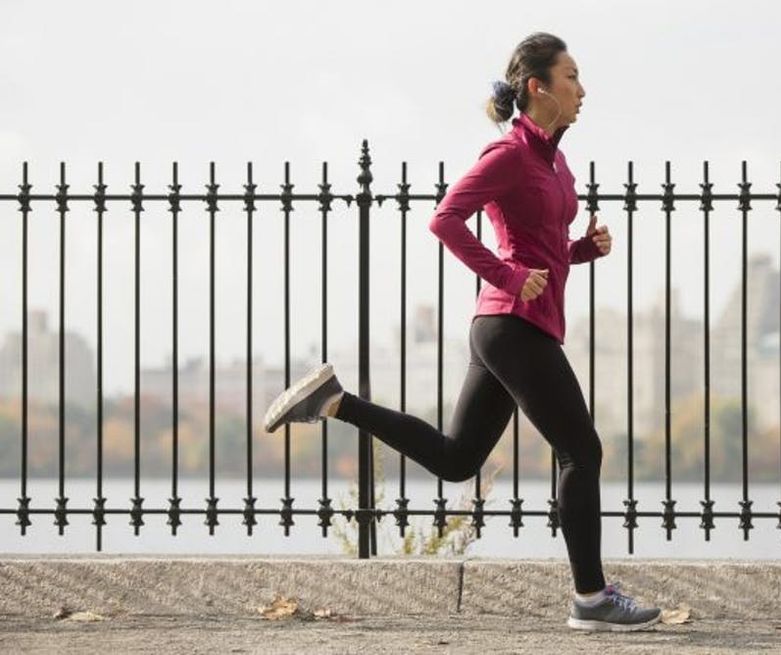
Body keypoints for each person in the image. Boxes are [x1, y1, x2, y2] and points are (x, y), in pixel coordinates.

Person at [263, 32, 662, 632]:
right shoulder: (506, 155)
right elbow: (444, 219)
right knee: (581, 450)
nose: (583, 90)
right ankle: (591, 598)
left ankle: (334, 401)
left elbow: (541, 246)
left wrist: (580, 250)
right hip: (510, 325)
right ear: (538, 87)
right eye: (572, 76)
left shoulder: (555, 161)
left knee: (456, 460)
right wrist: (505, 273)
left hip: (518, 326)